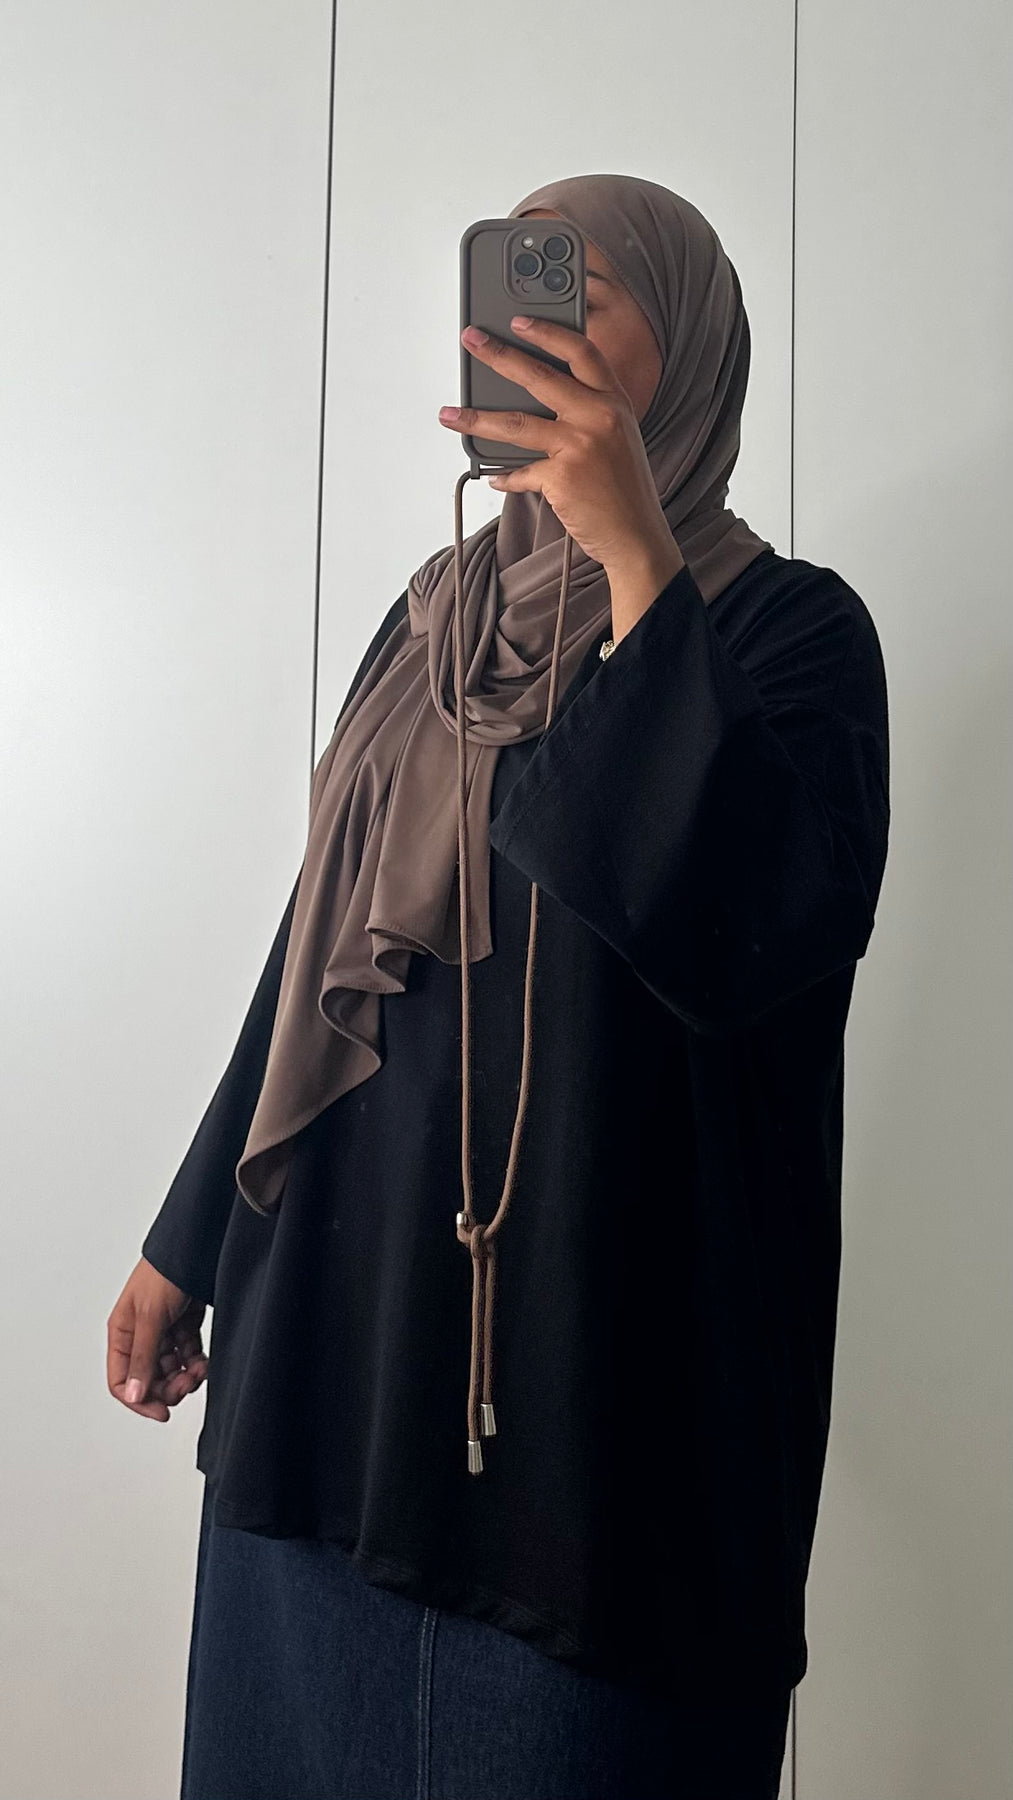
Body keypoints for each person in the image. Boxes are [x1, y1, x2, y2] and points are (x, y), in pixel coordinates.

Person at [106, 172, 890, 1800]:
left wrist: (634, 555)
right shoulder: (432, 624)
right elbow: (319, 945)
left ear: (686, 350)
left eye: (579, 299)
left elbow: (751, 941)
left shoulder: (788, 636)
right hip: (333, 1354)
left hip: (593, 1422)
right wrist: (187, 1238)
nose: (528, 338)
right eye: (511, 298)